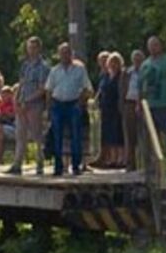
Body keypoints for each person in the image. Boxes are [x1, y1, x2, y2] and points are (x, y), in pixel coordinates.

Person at [44, 42, 92, 177]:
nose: (65, 56)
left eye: (67, 53)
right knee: (57, 136)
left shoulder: (80, 69)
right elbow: (49, 90)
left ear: (71, 54)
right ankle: (58, 167)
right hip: (57, 104)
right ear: (59, 55)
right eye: (62, 53)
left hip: (73, 104)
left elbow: (87, 88)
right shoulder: (54, 71)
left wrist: (80, 103)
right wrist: (48, 108)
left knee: (76, 135)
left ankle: (76, 165)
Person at [7, 37, 51, 175]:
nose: (31, 50)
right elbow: (21, 83)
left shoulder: (43, 67)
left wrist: (28, 100)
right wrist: (16, 99)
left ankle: (40, 163)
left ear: (39, 49)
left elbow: (43, 88)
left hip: (35, 104)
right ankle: (17, 164)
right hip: (22, 103)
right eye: (29, 47)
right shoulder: (25, 65)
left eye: (33, 47)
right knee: (20, 134)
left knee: (37, 135)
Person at [138, 36, 166, 164]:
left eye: (155, 45)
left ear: (161, 46)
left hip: (165, 104)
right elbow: (140, 86)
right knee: (149, 137)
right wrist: (139, 104)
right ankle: (152, 164)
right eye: (150, 45)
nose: (153, 48)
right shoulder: (145, 64)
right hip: (149, 106)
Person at [96, 52, 127, 168]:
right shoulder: (106, 75)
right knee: (109, 133)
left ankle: (121, 158)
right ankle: (112, 158)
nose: (113, 65)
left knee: (118, 133)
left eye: (116, 62)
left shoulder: (122, 75)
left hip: (117, 107)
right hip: (106, 107)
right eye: (111, 62)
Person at [122, 48, 146, 171]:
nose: (137, 61)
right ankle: (130, 163)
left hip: (143, 104)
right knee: (130, 135)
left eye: (139, 59)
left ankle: (146, 164)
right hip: (129, 104)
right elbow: (122, 89)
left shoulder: (146, 71)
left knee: (144, 134)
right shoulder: (127, 72)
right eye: (135, 59)